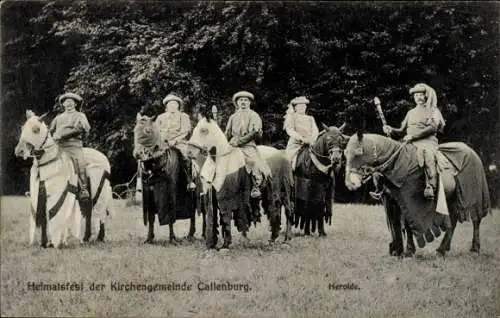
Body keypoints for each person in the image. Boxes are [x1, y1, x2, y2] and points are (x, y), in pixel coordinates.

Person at [383, 83, 446, 199]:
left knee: (428, 155)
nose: (418, 97)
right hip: (409, 142)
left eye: (420, 95)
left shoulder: (433, 110)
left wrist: (413, 136)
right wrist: (391, 129)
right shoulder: (410, 113)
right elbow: (401, 131)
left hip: (427, 142)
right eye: (415, 95)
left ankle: (431, 186)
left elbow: (433, 128)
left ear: (425, 96)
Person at [225, 91, 271, 199]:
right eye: (241, 100)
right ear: (237, 103)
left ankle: (256, 185)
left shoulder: (254, 115)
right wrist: (223, 143)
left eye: (246, 100)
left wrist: (239, 142)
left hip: (248, 145)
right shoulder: (233, 117)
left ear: (249, 102)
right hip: (233, 144)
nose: (243, 102)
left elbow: (254, 133)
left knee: (253, 162)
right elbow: (227, 132)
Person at [49, 92, 91, 201]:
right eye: (66, 102)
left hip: (73, 145)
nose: (69, 104)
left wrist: (62, 135)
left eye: (71, 102)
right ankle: (41, 187)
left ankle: (83, 189)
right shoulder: (58, 118)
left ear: (75, 104)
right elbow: (50, 130)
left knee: (79, 162)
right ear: (63, 104)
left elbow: (81, 129)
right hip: (58, 146)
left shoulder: (80, 116)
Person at [155, 93, 196, 190]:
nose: (172, 106)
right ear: (167, 106)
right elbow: (156, 131)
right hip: (164, 143)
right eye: (170, 104)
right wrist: (163, 140)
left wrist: (175, 140)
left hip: (179, 142)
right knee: (152, 156)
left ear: (178, 106)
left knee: (186, 155)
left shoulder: (183, 116)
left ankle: (189, 179)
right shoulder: (161, 117)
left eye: (174, 104)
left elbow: (186, 130)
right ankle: (150, 178)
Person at [283, 96, 319, 170]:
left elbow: (315, 130)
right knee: (288, 160)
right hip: (296, 144)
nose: (302, 108)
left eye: (304, 106)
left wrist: (312, 139)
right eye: (300, 106)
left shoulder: (310, 118)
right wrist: (301, 138)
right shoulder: (292, 117)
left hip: (310, 143)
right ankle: (289, 174)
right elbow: (290, 130)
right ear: (295, 108)